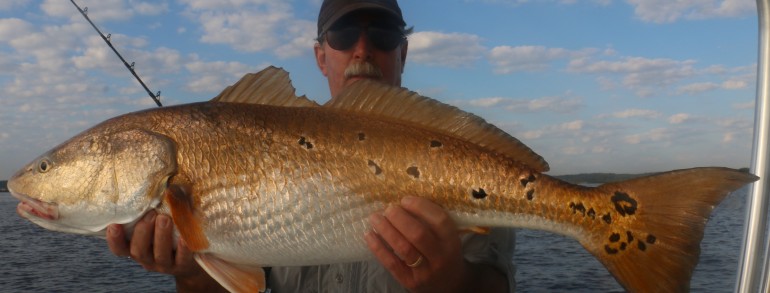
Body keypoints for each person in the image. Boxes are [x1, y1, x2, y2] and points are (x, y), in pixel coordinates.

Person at [107, 0, 516, 292]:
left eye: (383, 34)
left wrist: (454, 285)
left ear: (403, 53)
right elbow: (241, 284)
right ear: (321, 57)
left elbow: (493, 283)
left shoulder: (460, 159)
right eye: (343, 35)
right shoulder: (256, 150)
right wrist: (192, 271)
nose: (362, 49)